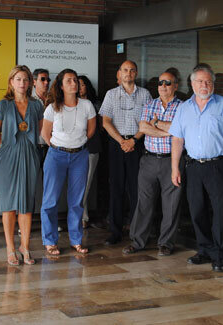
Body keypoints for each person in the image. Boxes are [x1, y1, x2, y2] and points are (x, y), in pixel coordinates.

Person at [170, 64, 223, 272]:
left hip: (218, 165)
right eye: (200, 81)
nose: (205, 85)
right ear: (192, 84)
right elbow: (177, 139)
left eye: (208, 81)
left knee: (220, 211)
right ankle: (204, 249)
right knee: (197, 210)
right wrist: (175, 168)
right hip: (193, 166)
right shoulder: (183, 108)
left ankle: (220, 255)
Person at [122, 71, 183, 257]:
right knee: (144, 202)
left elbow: (182, 130)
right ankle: (138, 241)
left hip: (171, 161)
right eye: (160, 83)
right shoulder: (150, 104)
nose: (163, 86)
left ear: (175, 86)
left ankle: (166, 243)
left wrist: (158, 125)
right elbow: (143, 127)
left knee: (171, 204)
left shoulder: (183, 107)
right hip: (148, 159)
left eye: (167, 83)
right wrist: (170, 130)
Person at [40, 69, 96, 255]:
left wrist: (75, 145)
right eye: (69, 80)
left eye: (76, 80)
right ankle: (50, 240)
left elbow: (90, 131)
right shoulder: (52, 107)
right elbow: (45, 134)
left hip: (80, 156)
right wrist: (59, 147)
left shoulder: (87, 105)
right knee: (50, 200)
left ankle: (76, 240)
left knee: (77, 201)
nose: (74, 83)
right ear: (61, 85)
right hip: (56, 156)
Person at [0, 65, 43, 266]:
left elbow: (38, 129)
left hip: (30, 154)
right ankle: (11, 249)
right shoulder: (3, 105)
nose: (22, 83)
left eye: (25, 79)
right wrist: (5, 147)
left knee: (27, 203)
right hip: (8, 156)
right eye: (18, 79)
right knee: (8, 205)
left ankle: (25, 246)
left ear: (30, 83)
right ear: (11, 82)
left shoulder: (37, 105)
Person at [100, 60, 152, 245]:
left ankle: (137, 231)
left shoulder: (145, 94)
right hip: (117, 144)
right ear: (119, 73)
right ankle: (115, 231)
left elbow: (148, 122)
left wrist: (133, 140)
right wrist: (122, 141)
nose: (128, 73)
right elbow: (105, 121)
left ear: (136, 73)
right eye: (125, 70)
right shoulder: (111, 94)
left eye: (131, 70)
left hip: (137, 144)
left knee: (137, 189)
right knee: (116, 188)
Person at [78, 75, 102, 229]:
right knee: (77, 184)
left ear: (87, 86)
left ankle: (80, 216)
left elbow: (100, 127)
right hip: (75, 149)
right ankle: (82, 216)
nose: (79, 88)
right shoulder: (71, 104)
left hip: (91, 148)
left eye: (82, 85)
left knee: (86, 184)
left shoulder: (96, 104)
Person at [32, 68, 50, 160]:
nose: (46, 82)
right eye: (42, 79)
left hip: (52, 145)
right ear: (34, 82)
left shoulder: (54, 100)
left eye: (48, 80)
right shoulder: (28, 100)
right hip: (34, 145)